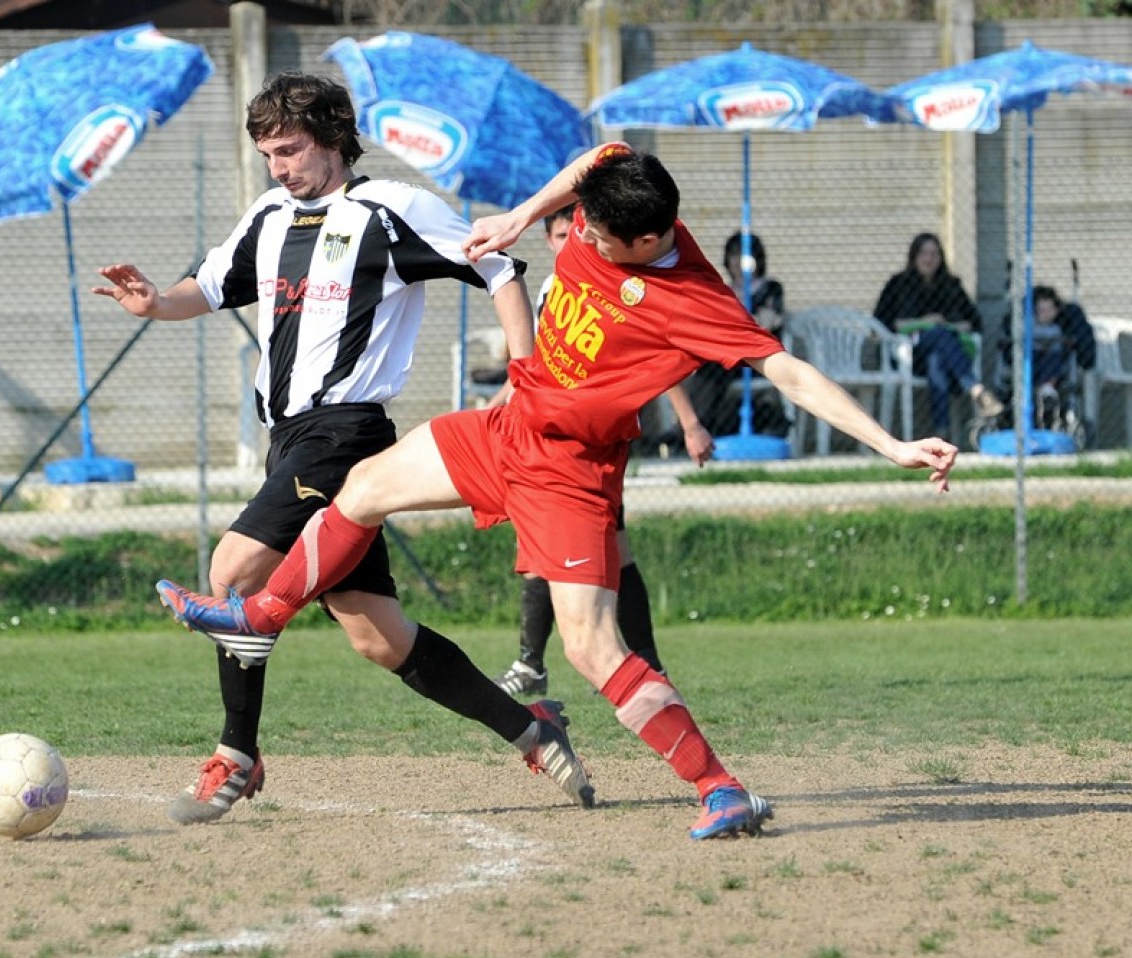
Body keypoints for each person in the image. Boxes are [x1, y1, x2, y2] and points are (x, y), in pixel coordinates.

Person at [155, 142, 960, 840]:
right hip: (510, 428)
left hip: (571, 472)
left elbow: (787, 369)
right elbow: (599, 156)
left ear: (652, 239)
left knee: (590, 648)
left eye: (602, 240)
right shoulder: (611, 191)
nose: (588, 245)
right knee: (363, 488)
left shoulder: (694, 299)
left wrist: (890, 443)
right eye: (584, 227)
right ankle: (260, 619)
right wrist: (520, 216)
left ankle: (721, 788)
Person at [92, 71, 594, 824]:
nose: (279, 167)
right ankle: (530, 727)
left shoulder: (390, 210)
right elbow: (211, 282)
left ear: (332, 136)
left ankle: (236, 756)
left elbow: (497, 266)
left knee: (231, 572)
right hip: (289, 439)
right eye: (267, 153)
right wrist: (156, 302)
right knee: (376, 635)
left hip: (347, 433)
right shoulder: (268, 214)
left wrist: (524, 382)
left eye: (290, 149)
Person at [493, 205, 712, 697]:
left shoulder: (615, 286)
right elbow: (530, 368)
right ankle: (544, 662)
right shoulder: (556, 287)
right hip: (546, 439)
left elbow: (657, 363)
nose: (571, 239)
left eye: (573, 230)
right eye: (560, 233)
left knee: (604, 553)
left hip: (590, 447)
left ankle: (617, 662)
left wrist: (690, 422)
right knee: (556, 554)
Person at [873, 232, 1005, 438]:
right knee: (936, 333)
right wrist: (923, 323)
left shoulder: (950, 286)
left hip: (945, 355)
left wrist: (950, 326)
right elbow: (882, 323)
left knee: (938, 362)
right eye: (924, 253)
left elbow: (975, 322)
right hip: (907, 353)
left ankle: (940, 434)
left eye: (934, 253)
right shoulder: (898, 284)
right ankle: (975, 389)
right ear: (914, 256)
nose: (929, 258)